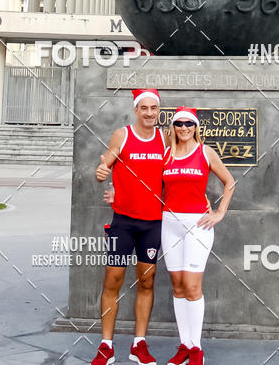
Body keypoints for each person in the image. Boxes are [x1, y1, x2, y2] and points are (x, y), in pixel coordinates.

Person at [93, 88, 166, 365]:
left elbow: (174, 174)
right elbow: (105, 166)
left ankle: (139, 345)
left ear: (158, 112)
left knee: (146, 281)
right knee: (113, 280)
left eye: (153, 108)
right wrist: (103, 175)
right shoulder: (122, 136)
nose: (149, 113)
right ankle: (106, 345)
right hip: (122, 223)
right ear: (136, 110)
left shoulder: (164, 139)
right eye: (144, 108)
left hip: (152, 224)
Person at [162, 107, 235, 365]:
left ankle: (197, 349)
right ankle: (184, 344)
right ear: (173, 126)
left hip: (198, 226)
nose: (184, 128)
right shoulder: (166, 154)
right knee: (178, 287)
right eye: (179, 123)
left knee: (193, 288)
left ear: (196, 127)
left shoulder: (205, 152)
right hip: (169, 224)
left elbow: (230, 182)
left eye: (189, 123)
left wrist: (219, 213)